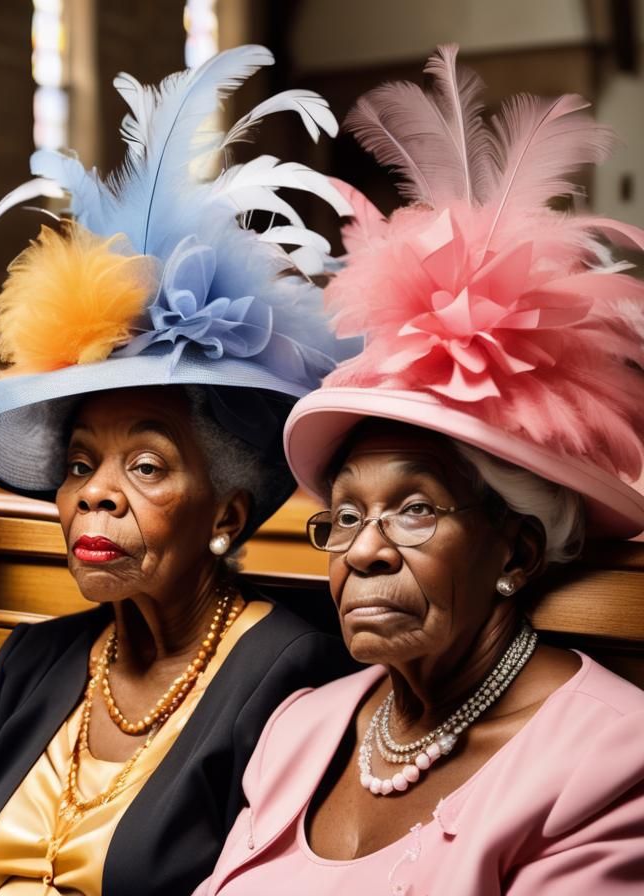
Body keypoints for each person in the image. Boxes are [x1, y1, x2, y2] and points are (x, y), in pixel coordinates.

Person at [197, 46, 644, 895]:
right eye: (345, 516)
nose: (362, 552)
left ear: (515, 554)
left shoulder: (609, 759)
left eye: (413, 510)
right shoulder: (306, 724)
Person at [0, 46, 358, 896]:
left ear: (227, 514)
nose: (93, 494)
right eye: (79, 464)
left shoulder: (291, 668)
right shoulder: (33, 662)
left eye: (146, 465)